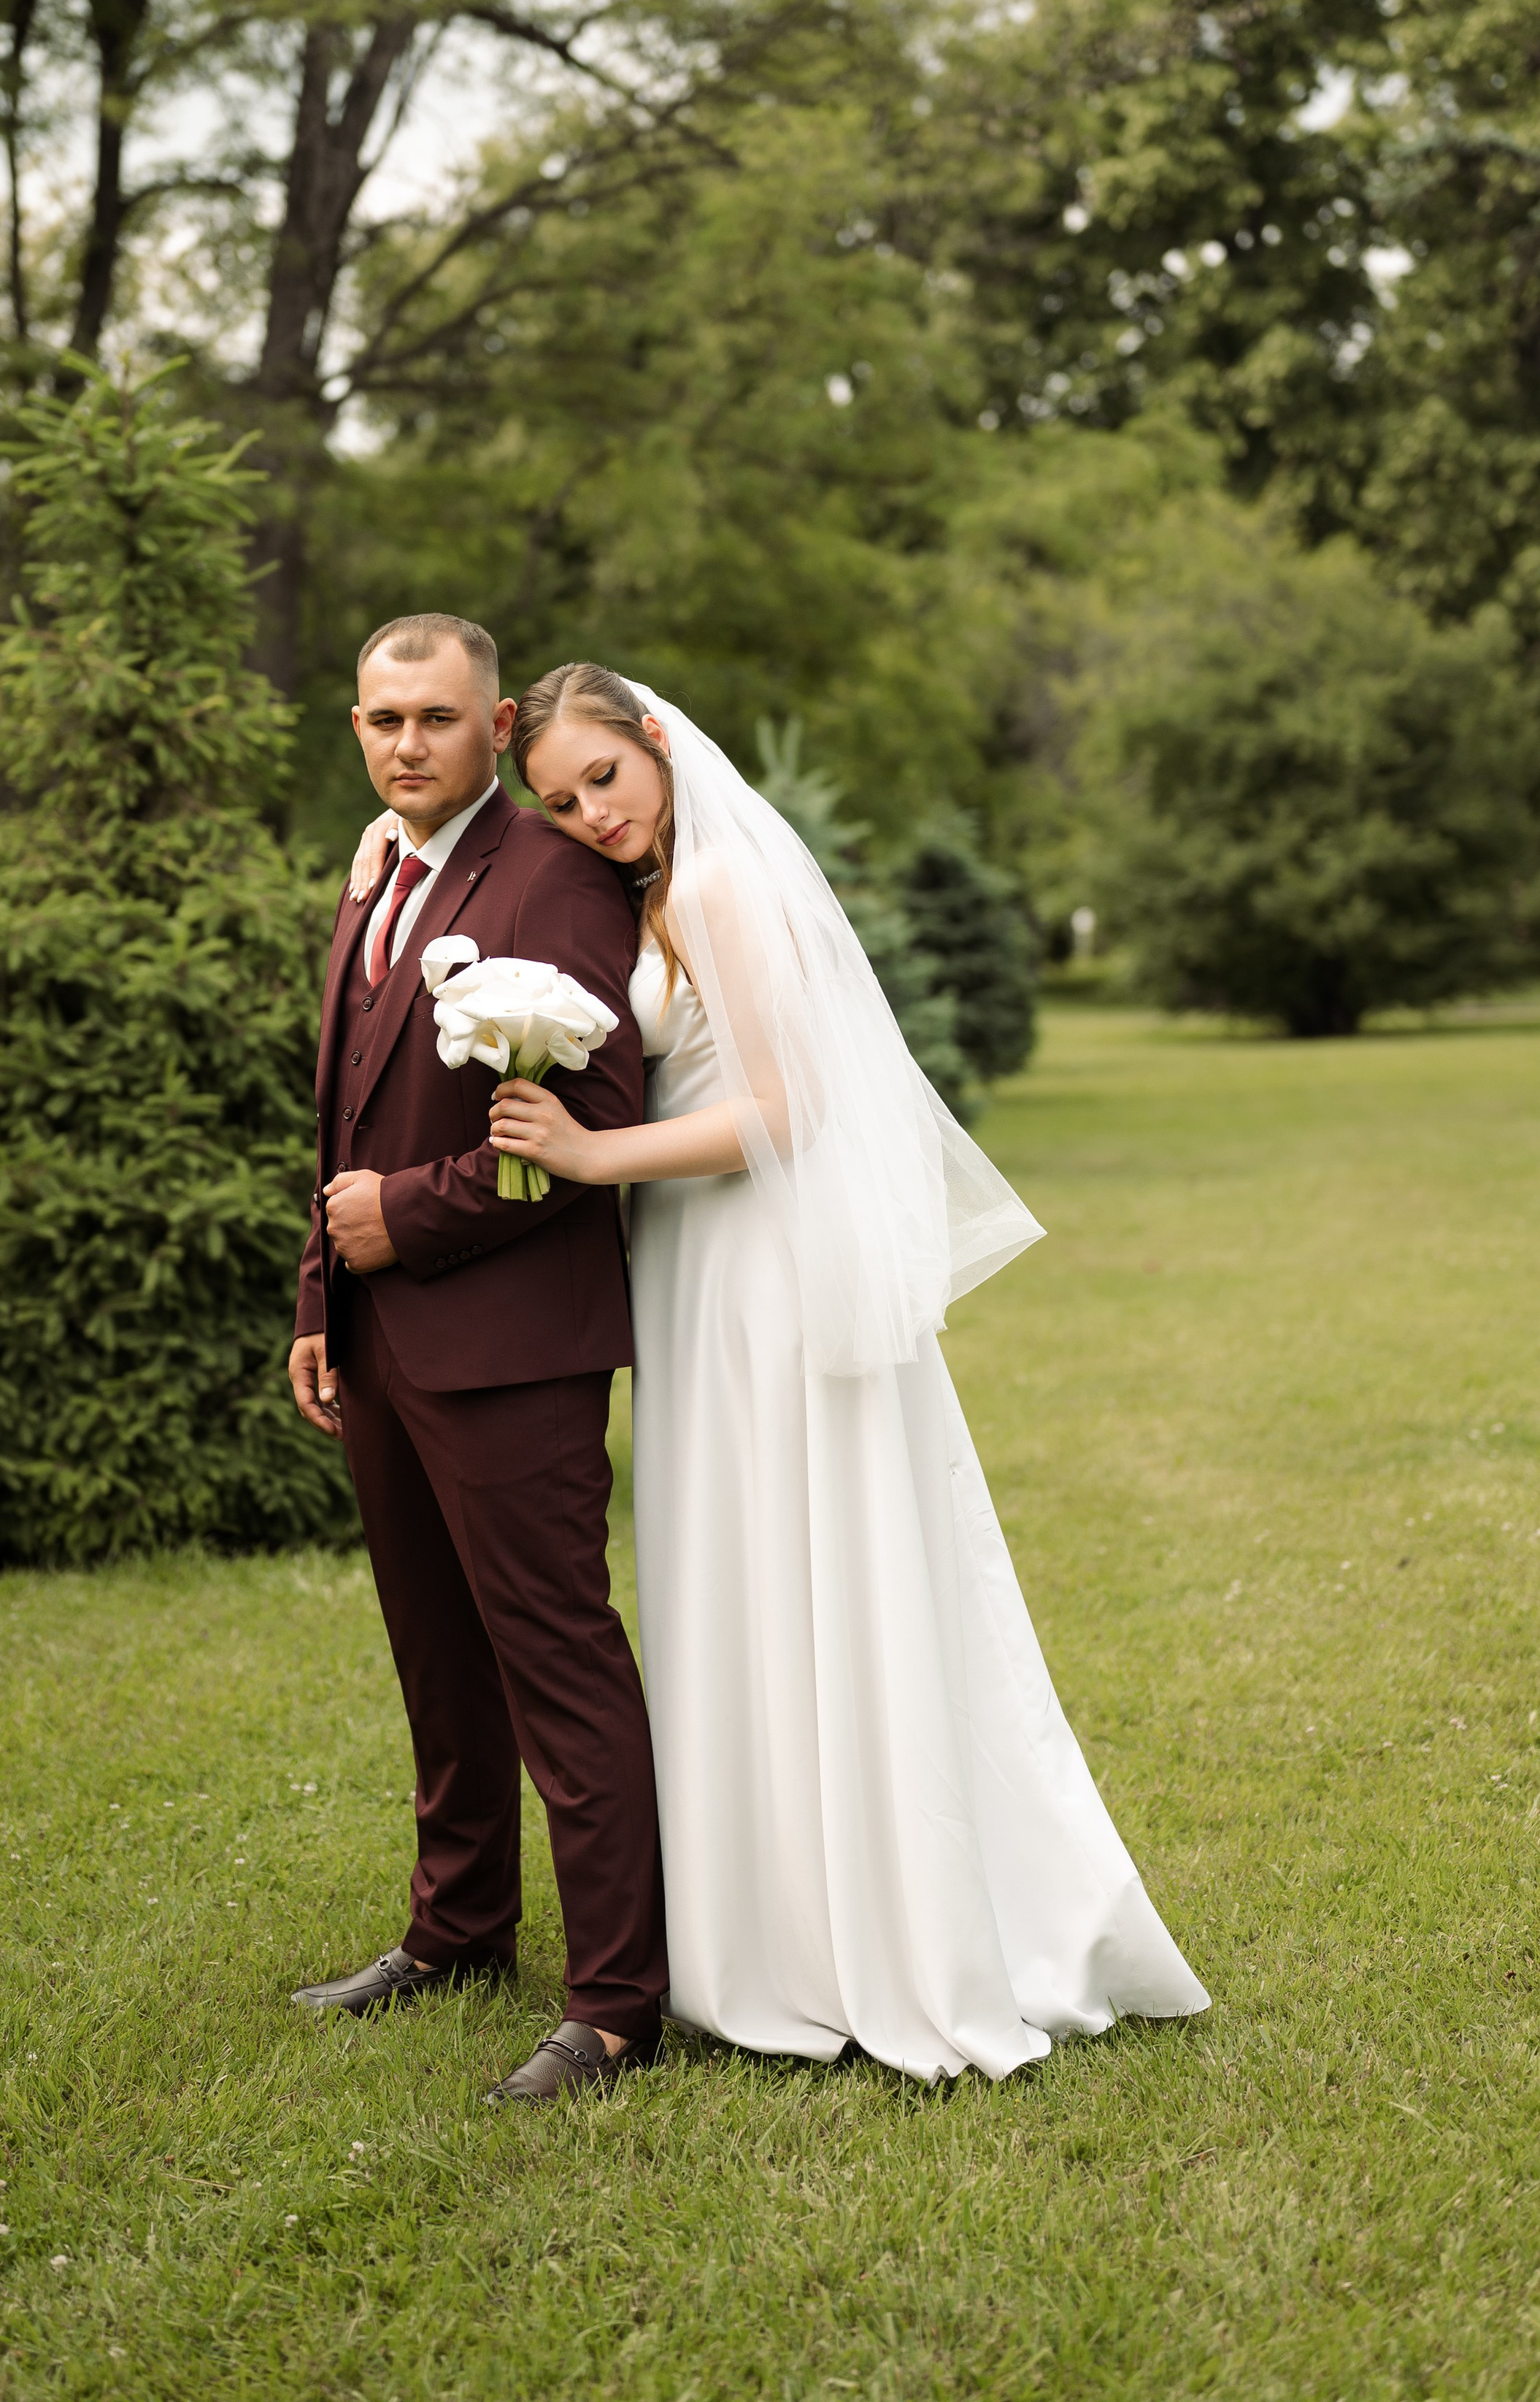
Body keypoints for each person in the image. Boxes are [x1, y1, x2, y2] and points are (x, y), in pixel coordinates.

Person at [480, 665, 1208, 2081]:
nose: (589, 815)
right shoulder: (650, 892)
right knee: (746, 1582)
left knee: (811, 1572)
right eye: (561, 802)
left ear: (657, 745)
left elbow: (786, 1105)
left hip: (754, 1267)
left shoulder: (717, 894)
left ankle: (861, 1931)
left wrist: (586, 1154)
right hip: (693, 1272)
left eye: (603, 781)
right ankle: (777, 1918)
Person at [285, 616, 669, 2107]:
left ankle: (617, 2001)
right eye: (381, 719)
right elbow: (346, 1117)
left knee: (555, 1662)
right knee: (435, 1657)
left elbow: (590, 1141)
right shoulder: (375, 870)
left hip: (513, 1346)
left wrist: (409, 1222)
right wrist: (325, 1292)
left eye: (434, 719)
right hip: (380, 1335)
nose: (404, 745)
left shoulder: (557, 878)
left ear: (492, 722)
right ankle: (455, 1931)